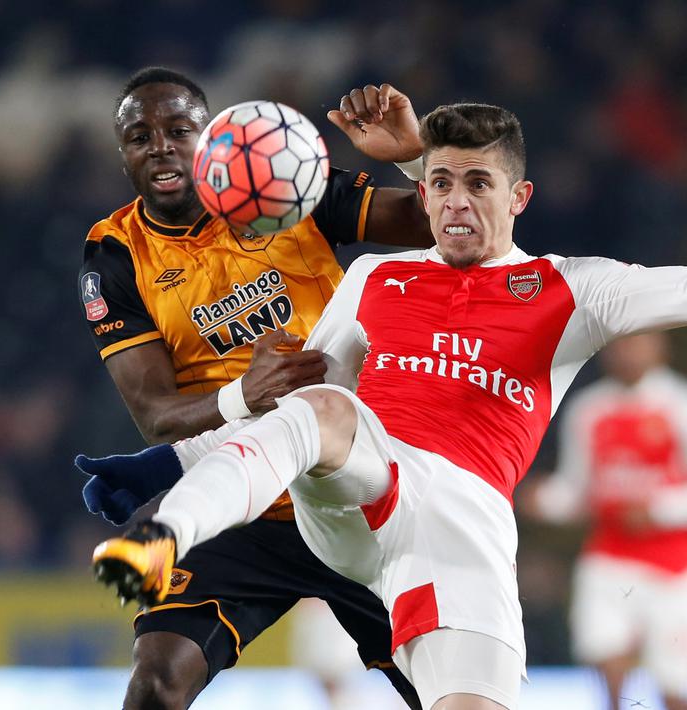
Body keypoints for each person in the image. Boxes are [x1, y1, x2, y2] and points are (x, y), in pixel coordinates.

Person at [86, 87, 687, 709]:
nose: (454, 202)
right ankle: (163, 538)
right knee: (321, 408)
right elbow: (294, 409)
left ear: (517, 196)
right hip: (358, 492)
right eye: (440, 184)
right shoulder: (376, 278)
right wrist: (164, 469)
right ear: (421, 194)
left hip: (456, 525)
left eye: (476, 184)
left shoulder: (570, 287)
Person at [76, 67, 434, 710]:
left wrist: (414, 159)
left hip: (353, 486)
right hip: (240, 500)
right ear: (123, 154)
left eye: (178, 130)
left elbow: (433, 222)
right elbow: (156, 416)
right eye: (138, 136)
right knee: (156, 684)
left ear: (210, 135)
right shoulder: (115, 253)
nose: (158, 145)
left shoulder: (282, 179)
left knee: (449, 694)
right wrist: (245, 393)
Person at [525, 331, 687, 710]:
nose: (626, 352)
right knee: (608, 663)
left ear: (660, 345)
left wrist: (660, 509)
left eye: (637, 341)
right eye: (619, 343)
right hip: (609, 558)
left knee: (674, 689)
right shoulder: (588, 410)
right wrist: (545, 500)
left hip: (676, 567)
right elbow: (579, 489)